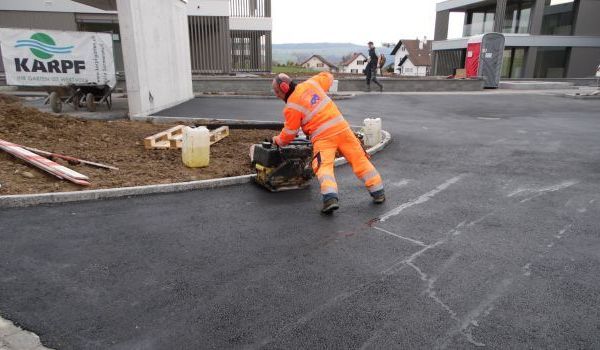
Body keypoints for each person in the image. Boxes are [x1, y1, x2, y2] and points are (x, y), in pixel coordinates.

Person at [271, 72, 385, 214]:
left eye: (276, 91)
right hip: (343, 129)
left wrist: (277, 140)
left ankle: (330, 198)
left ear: (284, 87)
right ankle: (378, 192)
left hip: (323, 137)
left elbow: (289, 134)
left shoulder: (291, 107)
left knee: (323, 167)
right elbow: (328, 77)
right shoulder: (312, 83)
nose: (276, 95)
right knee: (359, 159)